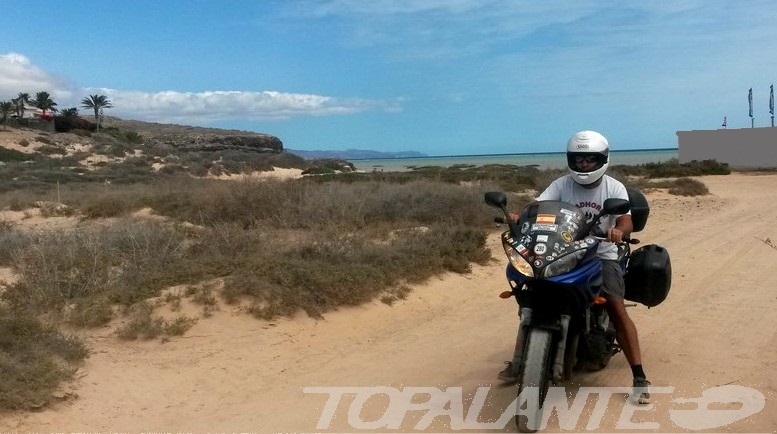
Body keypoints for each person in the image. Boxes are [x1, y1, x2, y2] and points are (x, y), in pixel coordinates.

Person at [497, 130, 650, 404]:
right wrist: (520, 214)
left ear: (601, 159)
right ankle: (521, 358)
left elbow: (626, 220)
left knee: (615, 306)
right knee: (532, 292)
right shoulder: (561, 184)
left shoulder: (614, 188)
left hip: (601, 253)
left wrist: (618, 230)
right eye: (579, 160)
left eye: (590, 160)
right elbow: (538, 204)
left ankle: (638, 376)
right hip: (564, 252)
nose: (584, 165)